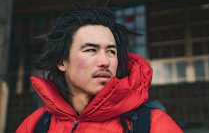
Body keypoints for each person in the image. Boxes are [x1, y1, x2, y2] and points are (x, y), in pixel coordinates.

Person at [16, 7, 183, 133]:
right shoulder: (36, 124)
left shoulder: (151, 124)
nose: (105, 61)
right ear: (62, 61)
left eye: (111, 52)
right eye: (91, 50)